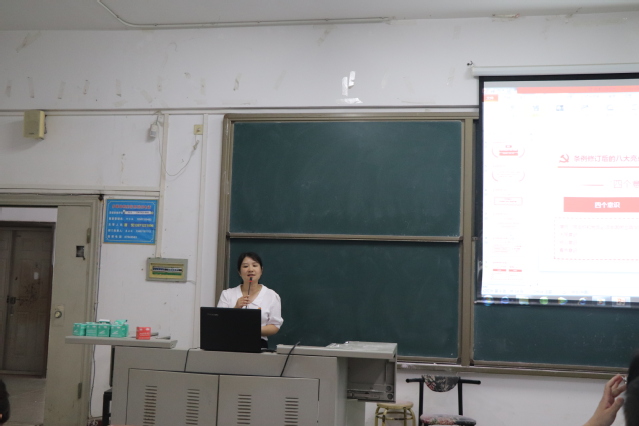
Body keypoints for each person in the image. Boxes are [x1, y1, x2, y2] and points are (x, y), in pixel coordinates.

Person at [217, 252, 283, 348]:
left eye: (255, 265)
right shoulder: (227, 294)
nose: (250, 269)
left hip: (258, 344)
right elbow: (219, 323)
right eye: (245, 266)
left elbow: (275, 325)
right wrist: (235, 309)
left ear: (261, 270)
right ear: (239, 272)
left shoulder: (272, 296)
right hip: (230, 343)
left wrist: (252, 329)